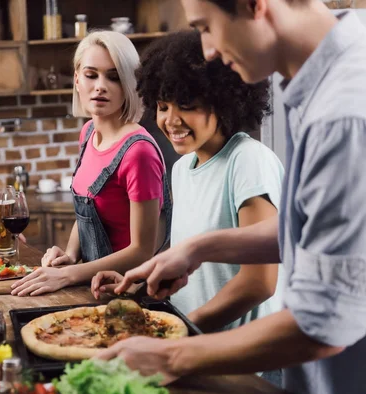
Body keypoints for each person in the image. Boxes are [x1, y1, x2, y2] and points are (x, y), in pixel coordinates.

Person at [94, 1, 366, 394]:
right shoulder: (321, 87)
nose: (207, 51)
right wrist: (198, 248)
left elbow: (323, 325)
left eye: (206, 27)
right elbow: (310, 231)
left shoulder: (342, 114)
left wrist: (170, 355)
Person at [95, 30, 284, 338]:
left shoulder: (248, 161)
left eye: (186, 104)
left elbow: (259, 282)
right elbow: (194, 263)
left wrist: (182, 329)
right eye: (163, 105)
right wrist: (137, 284)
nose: (171, 119)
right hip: (199, 347)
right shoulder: (182, 168)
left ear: (222, 101)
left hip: (244, 363)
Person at [10, 31, 170, 297]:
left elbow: (142, 250)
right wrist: (70, 255)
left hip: (128, 293)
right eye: (91, 74)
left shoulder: (139, 151)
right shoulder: (88, 134)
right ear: (76, 79)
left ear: (131, 83)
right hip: (92, 286)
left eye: (114, 76)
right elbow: (87, 208)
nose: (100, 86)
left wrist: (66, 275)